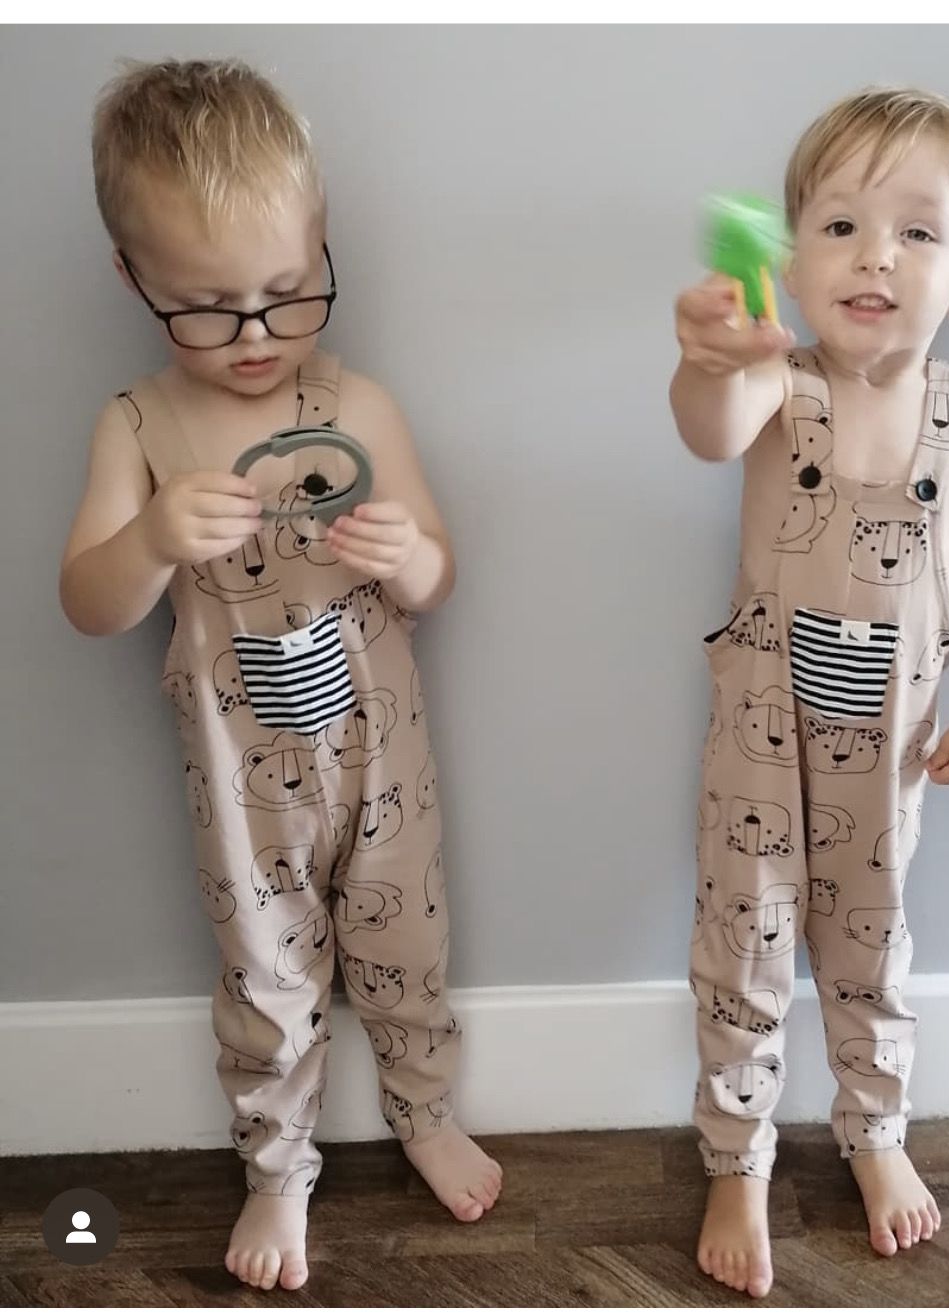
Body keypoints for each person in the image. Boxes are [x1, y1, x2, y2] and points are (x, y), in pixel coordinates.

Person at [60, 58, 502, 1292]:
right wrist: (148, 539)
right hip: (238, 775)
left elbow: (439, 577)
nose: (254, 338)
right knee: (265, 968)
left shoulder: (354, 399)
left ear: (320, 247)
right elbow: (87, 604)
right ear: (133, 280)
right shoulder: (137, 426)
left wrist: (409, 550)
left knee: (405, 933)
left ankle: (424, 1108)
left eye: (288, 292)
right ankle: (277, 1165)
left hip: (378, 752)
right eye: (207, 307)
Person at [671, 86, 949, 1297]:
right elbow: (711, 428)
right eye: (839, 227)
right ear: (793, 260)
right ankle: (737, 1154)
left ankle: (875, 1130)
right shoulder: (783, 384)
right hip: (761, 734)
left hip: (893, 745)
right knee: (747, 938)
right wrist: (711, 355)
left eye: (916, 232)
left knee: (869, 950)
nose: (876, 253)